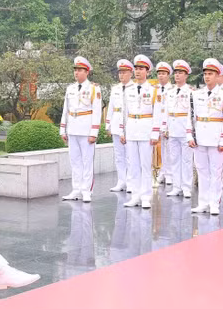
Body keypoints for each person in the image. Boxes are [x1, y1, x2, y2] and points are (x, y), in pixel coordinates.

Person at [59, 56, 102, 203]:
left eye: (80, 70)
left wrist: (94, 132)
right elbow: (66, 109)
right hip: (72, 129)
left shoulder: (94, 89)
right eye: (75, 70)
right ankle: (76, 189)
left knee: (87, 161)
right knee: (75, 161)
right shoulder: (70, 88)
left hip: (86, 130)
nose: (76, 73)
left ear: (87, 72)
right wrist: (63, 129)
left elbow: (97, 112)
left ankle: (86, 190)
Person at [122, 55, 160, 209]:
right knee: (133, 165)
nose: (138, 72)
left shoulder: (153, 91)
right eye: (136, 69)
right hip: (131, 128)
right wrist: (123, 131)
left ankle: (145, 196)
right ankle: (135, 195)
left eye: (141, 69)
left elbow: (157, 113)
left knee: (145, 164)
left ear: (147, 72)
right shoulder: (128, 90)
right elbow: (125, 112)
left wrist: (155, 133)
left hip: (146, 128)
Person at [191, 58, 223, 215]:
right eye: (205, 74)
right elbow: (191, 118)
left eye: (211, 74)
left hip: (216, 137)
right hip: (200, 137)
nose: (207, 77)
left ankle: (215, 202)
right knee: (202, 170)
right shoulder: (197, 95)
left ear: (217, 75)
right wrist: (190, 136)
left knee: (216, 171)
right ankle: (203, 202)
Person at [164, 60, 194, 199]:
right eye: (176, 73)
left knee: (187, 160)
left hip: (185, 129)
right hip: (173, 128)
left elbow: (192, 112)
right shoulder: (169, 92)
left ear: (186, 75)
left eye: (180, 73)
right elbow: (166, 111)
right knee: (174, 159)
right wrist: (165, 127)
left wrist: (191, 132)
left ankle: (186, 187)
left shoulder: (191, 92)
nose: (177, 75)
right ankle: (176, 186)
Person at [106, 59, 133, 192]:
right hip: (116, 123)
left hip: (129, 124)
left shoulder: (134, 88)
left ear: (130, 73)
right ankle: (121, 181)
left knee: (130, 156)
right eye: (120, 73)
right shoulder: (115, 88)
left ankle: (130, 181)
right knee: (119, 156)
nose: (121, 75)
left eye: (124, 72)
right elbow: (111, 107)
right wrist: (108, 125)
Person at [154, 62, 173, 186]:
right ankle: (162, 171)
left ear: (168, 75)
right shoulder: (154, 89)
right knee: (158, 150)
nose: (161, 76)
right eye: (159, 74)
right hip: (157, 123)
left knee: (169, 149)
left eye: (163, 74)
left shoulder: (173, 89)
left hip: (169, 123)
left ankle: (169, 174)